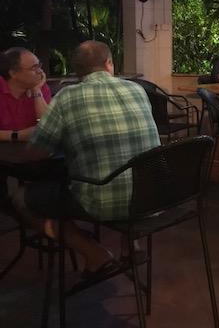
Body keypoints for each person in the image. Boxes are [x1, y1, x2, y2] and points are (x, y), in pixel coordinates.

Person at [11, 41, 161, 279]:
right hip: (154, 196)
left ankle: (94, 254)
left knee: (21, 198)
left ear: (77, 71)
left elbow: (37, 152)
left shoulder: (67, 97)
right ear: (109, 63)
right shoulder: (136, 89)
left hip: (103, 201)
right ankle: (130, 245)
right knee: (122, 165)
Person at [0, 47, 51, 142]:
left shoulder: (41, 87)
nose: (40, 71)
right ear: (13, 73)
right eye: (34, 68)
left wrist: (37, 91)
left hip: (35, 149)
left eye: (39, 66)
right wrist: (17, 135)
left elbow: (48, 128)